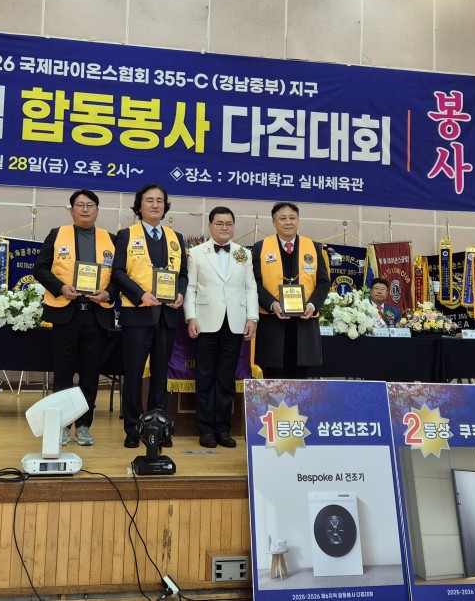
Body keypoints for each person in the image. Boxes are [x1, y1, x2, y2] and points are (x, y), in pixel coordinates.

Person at [33, 189, 118, 447]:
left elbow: (120, 275)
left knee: (91, 374)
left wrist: (108, 293)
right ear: (71, 210)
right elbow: (40, 268)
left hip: (96, 315)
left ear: (97, 211)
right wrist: (60, 288)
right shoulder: (57, 234)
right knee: (63, 374)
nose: (85, 209)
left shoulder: (111, 239)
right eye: (80, 205)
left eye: (90, 205)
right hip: (66, 314)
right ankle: (60, 425)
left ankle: (83, 426)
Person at [112, 184, 188, 448]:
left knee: (160, 374)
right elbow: (118, 272)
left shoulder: (176, 237)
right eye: (149, 200)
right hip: (137, 315)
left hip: (167, 316)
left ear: (165, 206)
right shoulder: (126, 234)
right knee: (133, 374)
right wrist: (140, 295)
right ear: (139, 206)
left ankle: (159, 426)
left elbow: (183, 274)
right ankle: (133, 428)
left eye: (160, 201)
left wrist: (180, 293)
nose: (155, 205)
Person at [184, 206, 258, 449]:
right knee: (205, 377)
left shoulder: (244, 254)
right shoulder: (196, 253)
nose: (224, 227)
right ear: (210, 226)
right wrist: (191, 317)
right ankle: (205, 429)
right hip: (205, 322)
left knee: (226, 378)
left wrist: (252, 318)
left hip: (235, 323)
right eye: (219, 223)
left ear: (234, 226)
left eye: (229, 223)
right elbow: (190, 288)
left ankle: (223, 429)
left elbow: (250, 287)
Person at [252, 202, 330, 379]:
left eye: (292, 218)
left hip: (304, 324)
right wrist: (271, 304)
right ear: (274, 222)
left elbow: (324, 282)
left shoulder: (313, 247)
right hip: (272, 324)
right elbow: (254, 283)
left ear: (298, 221)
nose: (288, 222)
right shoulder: (260, 247)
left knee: (300, 382)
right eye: (283, 218)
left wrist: (313, 305)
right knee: (273, 381)